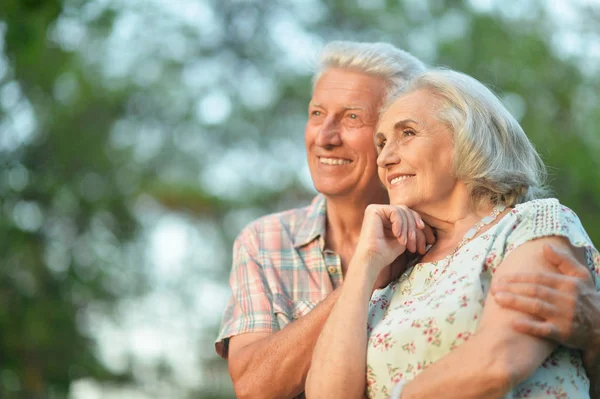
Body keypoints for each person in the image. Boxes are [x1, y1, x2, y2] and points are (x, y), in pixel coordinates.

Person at [215, 41, 600, 399]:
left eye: (352, 117)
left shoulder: (530, 223)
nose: (385, 156)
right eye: (316, 113)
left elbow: (498, 362)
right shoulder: (389, 268)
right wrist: (366, 268)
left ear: (467, 139)